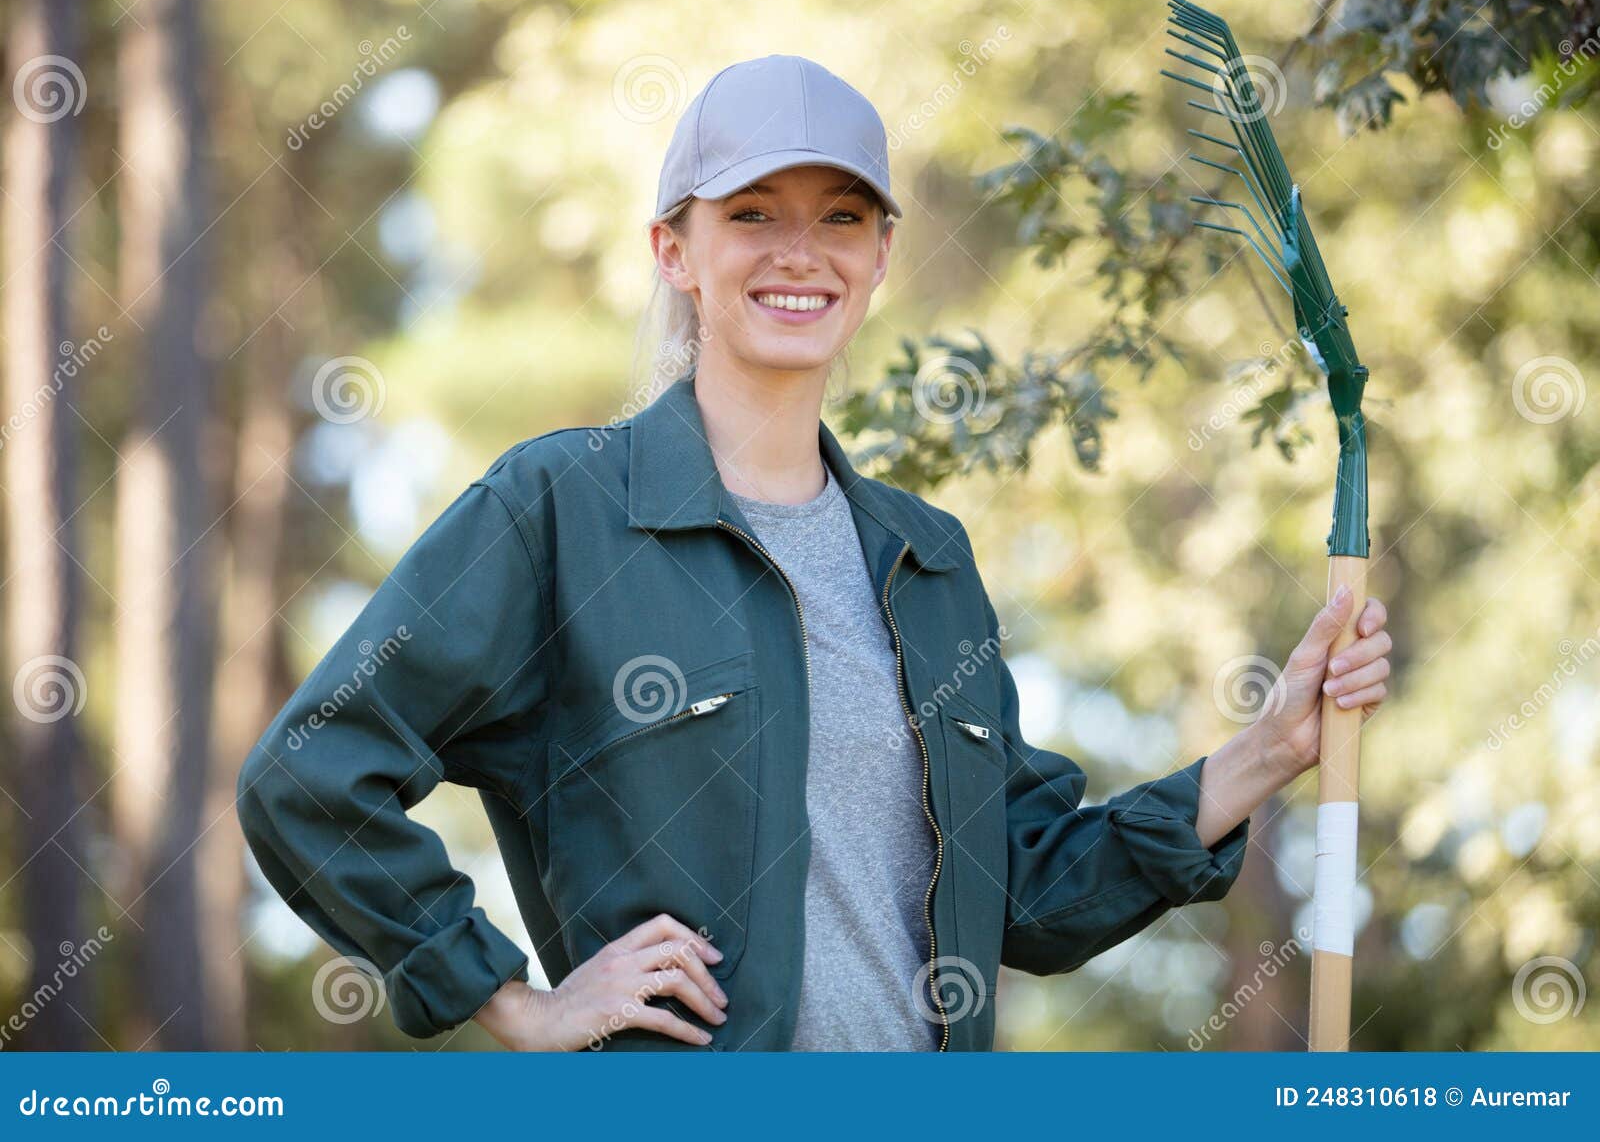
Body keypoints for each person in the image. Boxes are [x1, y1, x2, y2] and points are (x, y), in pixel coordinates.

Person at [236, 54, 1392, 1052]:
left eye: (841, 216)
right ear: (673, 250)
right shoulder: (561, 511)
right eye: (751, 214)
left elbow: (1024, 890)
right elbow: (310, 773)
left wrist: (1265, 747)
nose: (802, 252)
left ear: (883, 254)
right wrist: (512, 998)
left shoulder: (925, 561)